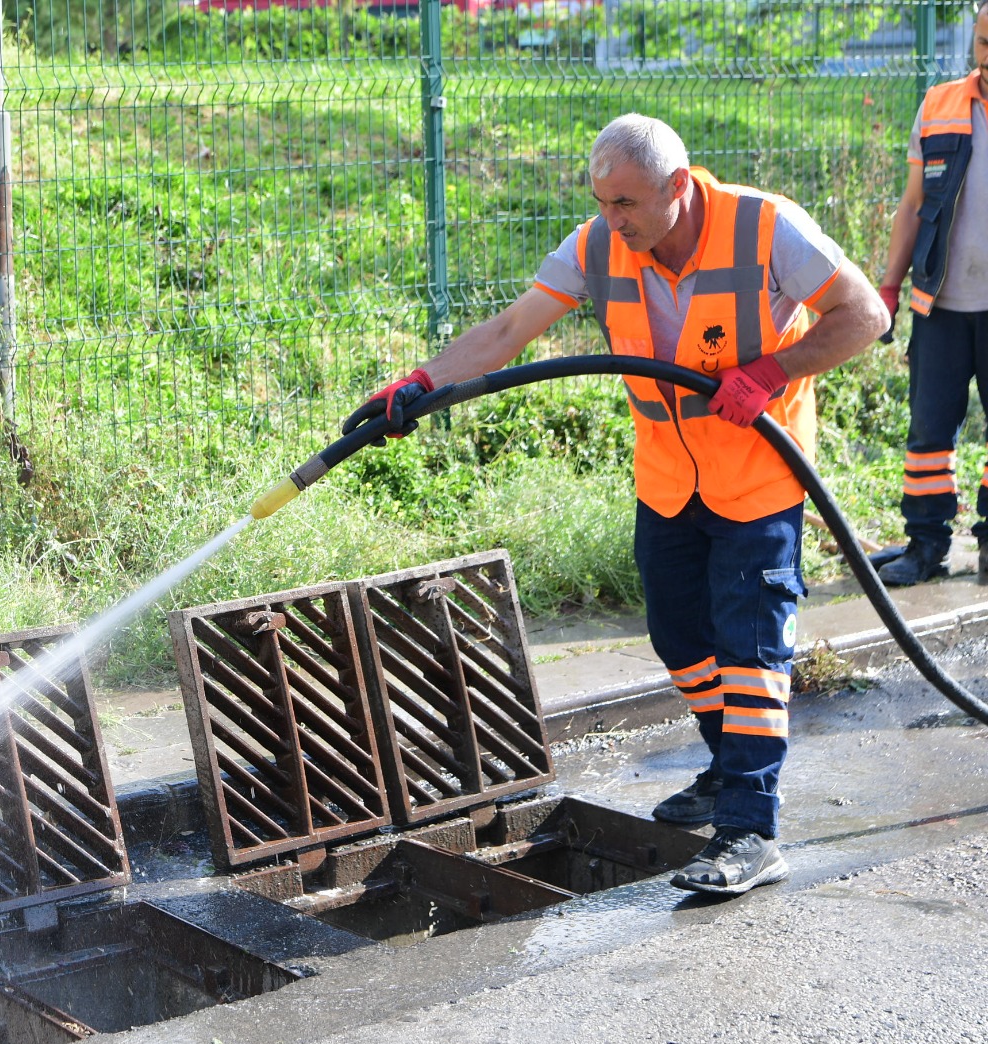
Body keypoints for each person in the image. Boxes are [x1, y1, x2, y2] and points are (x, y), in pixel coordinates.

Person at [344, 114, 887, 896]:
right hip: (669, 478)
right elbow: (509, 329)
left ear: (677, 185)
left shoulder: (766, 228)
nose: (612, 219)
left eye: (627, 203)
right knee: (678, 638)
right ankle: (726, 761)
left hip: (758, 478)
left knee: (750, 651)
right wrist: (421, 384)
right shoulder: (599, 246)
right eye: (603, 202)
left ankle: (750, 828)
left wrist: (770, 370)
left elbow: (866, 316)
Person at [873, 0, 988, 589]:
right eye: (984, 43)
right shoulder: (941, 104)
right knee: (926, 437)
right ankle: (924, 548)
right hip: (940, 305)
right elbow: (913, 206)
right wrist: (888, 288)